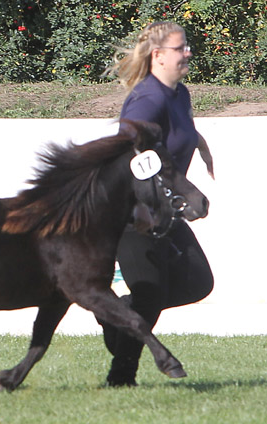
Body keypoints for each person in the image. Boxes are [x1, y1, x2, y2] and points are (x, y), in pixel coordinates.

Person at [101, 21, 215, 387]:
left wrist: (199, 141)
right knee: (149, 295)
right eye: (181, 48)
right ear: (158, 55)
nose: (188, 53)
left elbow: (171, 132)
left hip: (164, 208)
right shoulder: (147, 98)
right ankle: (121, 378)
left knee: (198, 281)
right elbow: (129, 146)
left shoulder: (179, 94)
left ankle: (115, 314)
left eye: (187, 47)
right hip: (132, 212)